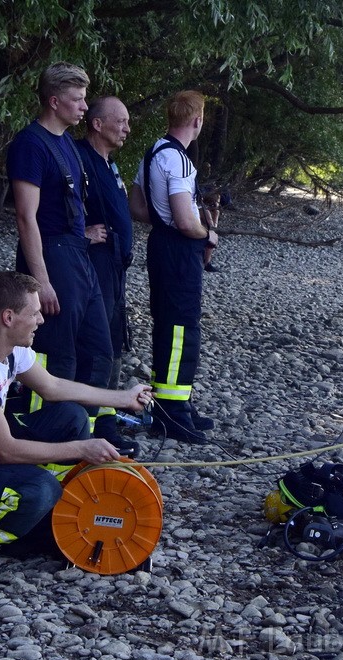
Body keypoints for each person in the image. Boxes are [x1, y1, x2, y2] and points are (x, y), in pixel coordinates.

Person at [0, 272, 152, 570]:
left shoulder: (8, 345)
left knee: (71, 416)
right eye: (34, 313)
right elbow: (6, 450)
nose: (41, 320)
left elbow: (52, 388)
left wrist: (124, 398)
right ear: (8, 317)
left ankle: (30, 515)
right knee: (42, 489)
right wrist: (82, 449)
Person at [6, 63, 116, 447]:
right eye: (78, 99)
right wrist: (41, 283)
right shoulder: (30, 144)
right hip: (52, 258)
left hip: (78, 256)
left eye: (86, 99)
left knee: (100, 349)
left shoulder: (68, 143)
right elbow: (26, 216)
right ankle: (39, 440)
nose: (85, 107)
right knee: (57, 354)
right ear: (54, 101)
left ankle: (79, 435)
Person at [129, 90, 217, 443]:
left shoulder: (151, 152)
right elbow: (185, 220)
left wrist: (164, 220)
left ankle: (174, 402)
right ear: (197, 121)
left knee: (168, 324)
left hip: (159, 244)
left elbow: (136, 205)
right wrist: (208, 234)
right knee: (182, 329)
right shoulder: (180, 161)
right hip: (179, 250)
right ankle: (172, 412)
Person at [76, 95, 138, 453]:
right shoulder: (80, 159)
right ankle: (88, 423)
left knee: (115, 341)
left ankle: (107, 417)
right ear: (97, 124)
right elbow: (51, 211)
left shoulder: (109, 164)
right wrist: (81, 234)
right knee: (97, 344)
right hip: (93, 266)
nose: (127, 128)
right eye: (121, 121)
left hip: (115, 268)